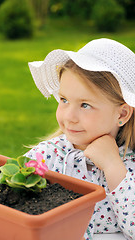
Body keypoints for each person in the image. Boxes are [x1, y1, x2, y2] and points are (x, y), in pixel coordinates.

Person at [25, 38, 135, 240]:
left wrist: (112, 166)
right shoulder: (47, 156)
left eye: (85, 105)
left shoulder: (129, 165)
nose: (69, 116)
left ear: (121, 115)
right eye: (64, 100)